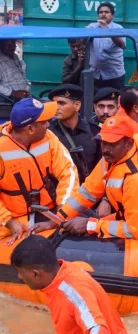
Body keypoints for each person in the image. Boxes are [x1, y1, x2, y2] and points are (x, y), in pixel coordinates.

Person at [51, 116, 138, 244]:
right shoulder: (113, 157)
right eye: (103, 142)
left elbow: (133, 230)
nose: (105, 149)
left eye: (112, 144)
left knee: (104, 237)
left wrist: (89, 224)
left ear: (129, 144)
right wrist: (57, 219)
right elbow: (87, 192)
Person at [10, 235, 138, 334]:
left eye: (20, 272)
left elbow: (100, 331)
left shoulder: (72, 291)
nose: (19, 277)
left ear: (36, 274)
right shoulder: (63, 272)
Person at [0, 98, 79, 243]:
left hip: (47, 211)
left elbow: (68, 172)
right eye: (44, 122)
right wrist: (8, 221)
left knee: (81, 221)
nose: (48, 125)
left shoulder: (48, 137)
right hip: (10, 219)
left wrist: (62, 212)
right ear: (30, 129)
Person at [48, 84, 101, 184]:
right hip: (62, 193)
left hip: (90, 192)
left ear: (77, 105)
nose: (56, 107)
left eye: (61, 103)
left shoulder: (94, 131)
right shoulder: (48, 133)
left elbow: (102, 166)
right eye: (54, 103)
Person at [87, 3, 126, 90]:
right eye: (101, 12)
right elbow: (81, 43)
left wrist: (107, 30)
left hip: (114, 74)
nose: (103, 14)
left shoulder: (118, 28)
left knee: (115, 101)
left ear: (112, 15)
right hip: (95, 74)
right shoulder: (92, 26)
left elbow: (122, 45)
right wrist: (85, 32)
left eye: (106, 12)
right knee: (95, 101)